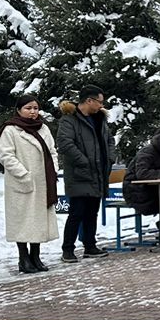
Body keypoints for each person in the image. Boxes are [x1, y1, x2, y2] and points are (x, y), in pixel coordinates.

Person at [0, 95, 59, 275]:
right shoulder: (10, 130)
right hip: (22, 183)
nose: (33, 112)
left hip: (43, 182)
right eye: (28, 108)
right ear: (19, 110)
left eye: (35, 108)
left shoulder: (44, 128)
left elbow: (52, 151)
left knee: (38, 221)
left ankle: (36, 256)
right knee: (23, 221)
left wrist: (53, 169)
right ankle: (23, 257)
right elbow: (6, 156)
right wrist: (24, 174)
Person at [55, 84, 113, 262]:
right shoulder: (69, 119)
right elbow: (65, 144)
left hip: (98, 172)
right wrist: (84, 161)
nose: (102, 106)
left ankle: (90, 245)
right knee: (76, 212)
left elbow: (109, 140)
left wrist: (109, 158)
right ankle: (68, 249)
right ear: (89, 100)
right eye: (99, 102)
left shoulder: (100, 119)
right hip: (80, 174)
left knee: (92, 212)